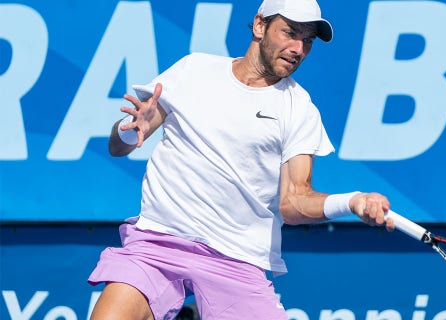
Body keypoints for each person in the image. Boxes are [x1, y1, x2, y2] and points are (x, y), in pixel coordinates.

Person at [88, 0, 394, 319]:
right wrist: (128, 131)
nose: (298, 48)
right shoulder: (193, 70)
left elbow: (294, 202)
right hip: (157, 244)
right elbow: (119, 146)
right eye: (290, 33)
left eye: (308, 41)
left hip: (235, 261)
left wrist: (353, 201)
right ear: (260, 25)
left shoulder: (300, 109)